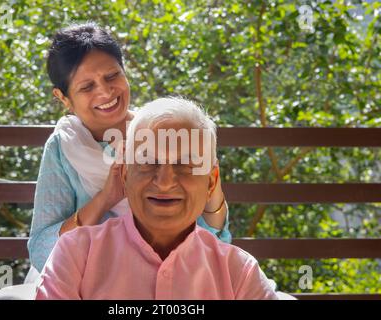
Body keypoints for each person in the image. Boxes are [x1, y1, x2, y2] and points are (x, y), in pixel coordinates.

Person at [27, 22, 231, 274]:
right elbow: (41, 251)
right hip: (89, 278)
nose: (105, 92)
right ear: (63, 97)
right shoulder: (64, 145)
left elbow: (217, 240)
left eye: (112, 76)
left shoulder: (160, 131)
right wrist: (104, 199)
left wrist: (211, 184)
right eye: (87, 87)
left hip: (172, 272)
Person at [36, 97, 278, 300]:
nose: (164, 181)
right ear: (125, 174)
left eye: (185, 163)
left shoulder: (238, 272)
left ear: (211, 182)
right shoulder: (77, 255)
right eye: (148, 161)